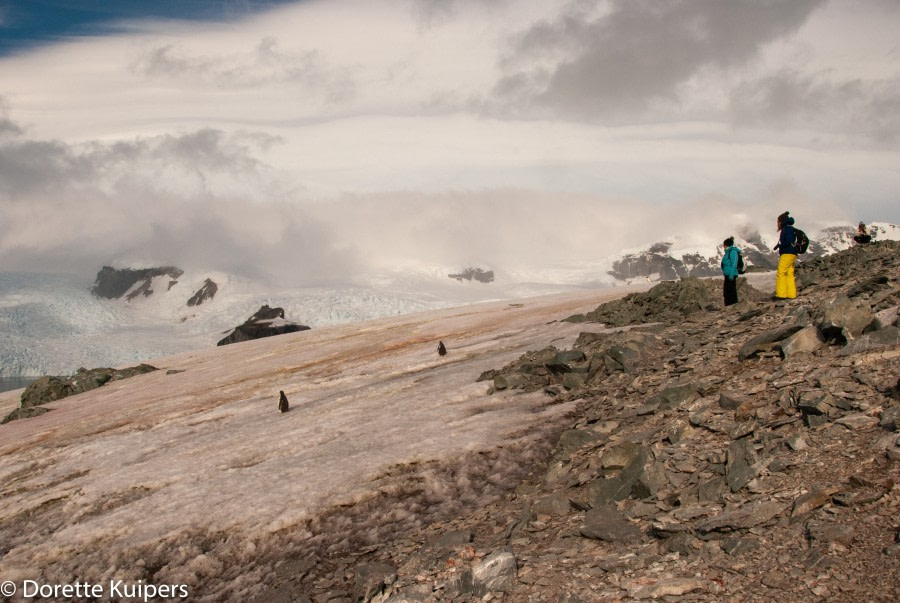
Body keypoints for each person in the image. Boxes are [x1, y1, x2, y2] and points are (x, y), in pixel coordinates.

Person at [773, 211, 798, 299]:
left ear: (782, 221)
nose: (777, 223)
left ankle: (781, 294)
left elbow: (788, 240)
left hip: (787, 253)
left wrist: (780, 245)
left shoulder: (786, 229)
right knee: (789, 273)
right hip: (792, 253)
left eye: (778, 221)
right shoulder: (790, 228)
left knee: (781, 272)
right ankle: (791, 294)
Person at [720, 236, 741, 306]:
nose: (723, 246)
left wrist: (731, 275)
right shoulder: (727, 252)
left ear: (726, 245)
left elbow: (734, 264)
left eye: (724, 245)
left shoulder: (733, 252)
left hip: (731, 274)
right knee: (726, 292)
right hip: (727, 274)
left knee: (731, 291)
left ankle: (733, 305)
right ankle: (728, 305)